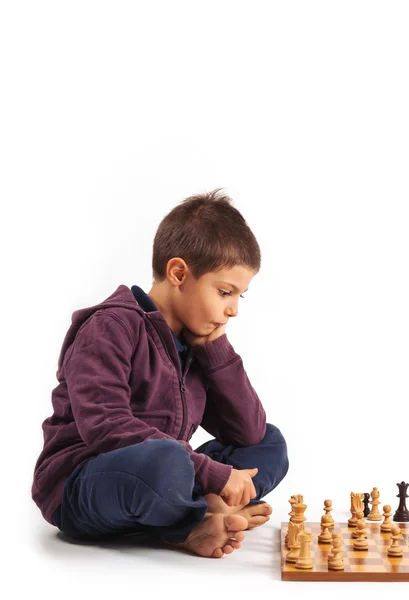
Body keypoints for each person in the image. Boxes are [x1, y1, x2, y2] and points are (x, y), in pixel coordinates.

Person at [31, 189, 289, 558]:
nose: (233, 310)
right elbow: (107, 427)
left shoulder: (193, 341)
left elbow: (247, 431)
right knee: (166, 461)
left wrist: (216, 353)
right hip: (85, 483)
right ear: (179, 272)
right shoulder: (110, 327)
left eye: (239, 296)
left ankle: (202, 508)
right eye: (224, 291)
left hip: (166, 476)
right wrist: (212, 474)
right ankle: (192, 522)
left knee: (269, 441)